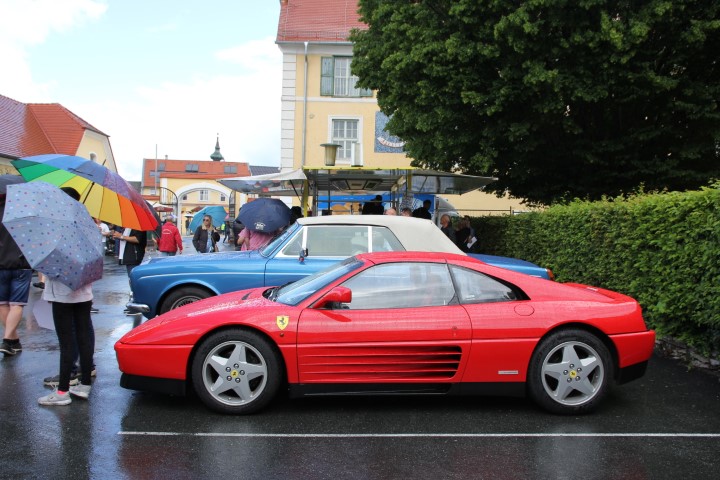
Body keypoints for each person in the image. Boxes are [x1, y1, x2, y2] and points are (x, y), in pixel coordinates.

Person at [37, 187, 96, 406]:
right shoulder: (87, 225)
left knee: (66, 341)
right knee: (84, 336)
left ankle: (62, 392)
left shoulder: (56, 227)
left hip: (62, 291)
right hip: (84, 289)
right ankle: (84, 385)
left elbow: (50, 260)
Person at [0, 190, 33, 356]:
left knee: (3, 304)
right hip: (21, 263)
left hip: (0, 264)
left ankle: (13, 340)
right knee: (16, 304)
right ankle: (7, 340)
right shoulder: (23, 215)